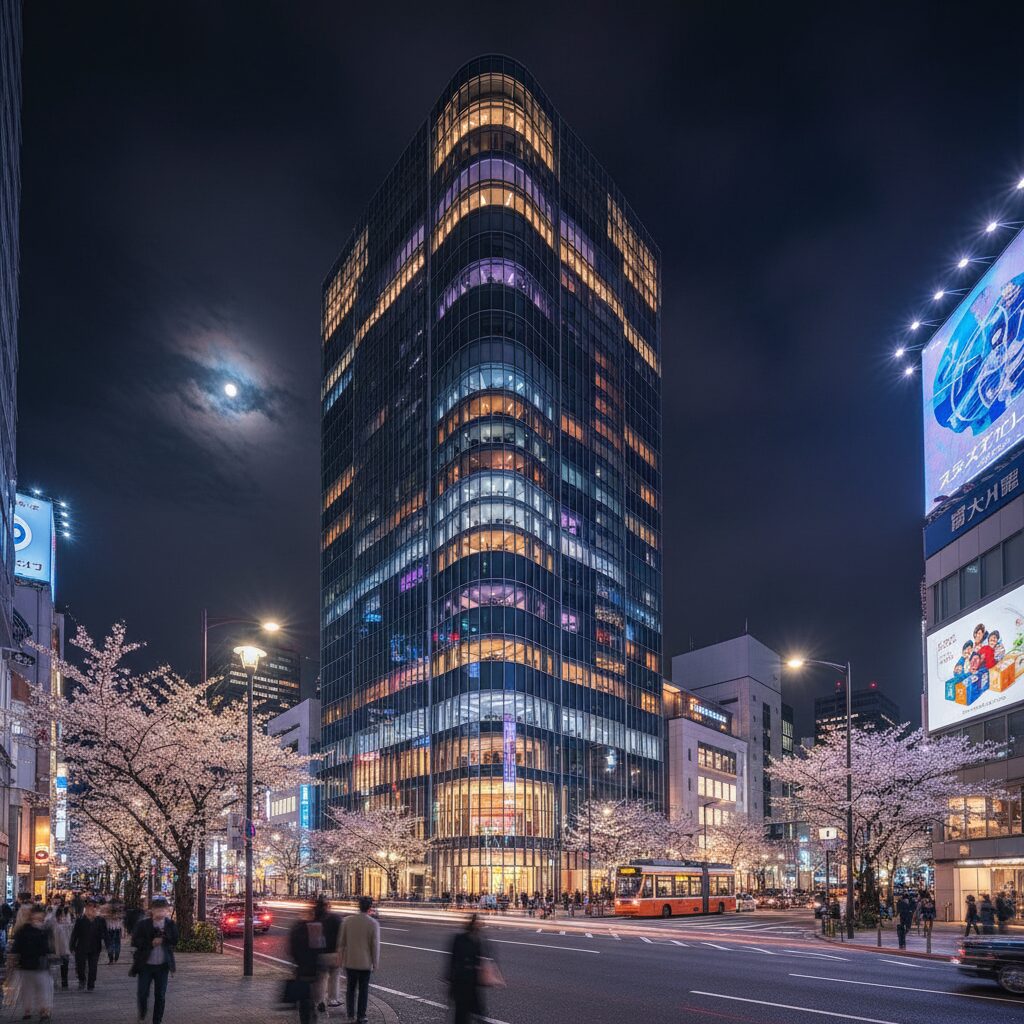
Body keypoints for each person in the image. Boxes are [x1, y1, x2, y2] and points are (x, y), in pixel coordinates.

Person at [131, 895, 178, 1024]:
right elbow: (135, 941)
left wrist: (164, 939)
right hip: (145, 965)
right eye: (157, 909)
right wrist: (150, 943)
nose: (160, 912)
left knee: (160, 995)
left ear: (167, 910)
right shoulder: (143, 924)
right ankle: (142, 1013)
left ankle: (157, 1020)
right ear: (152, 910)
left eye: (163, 909)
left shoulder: (170, 924)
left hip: (162, 966)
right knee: (142, 993)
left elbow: (175, 940)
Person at [340, 896, 380, 1024]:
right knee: (363, 990)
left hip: (350, 961)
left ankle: (350, 1014)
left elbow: (341, 942)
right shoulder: (373, 923)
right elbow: (375, 946)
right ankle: (361, 1016)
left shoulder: (348, 921)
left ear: (359, 906)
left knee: (350, 989)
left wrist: (340, 959)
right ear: (370, 907)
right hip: (365, 963)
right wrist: (375, 963)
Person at [447, 914, 491, 1024]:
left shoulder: (477, 940)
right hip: (463, 980)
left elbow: (453, 960)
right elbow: (454, 960)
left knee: (469, 1012)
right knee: (464, 1012)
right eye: (478, 924)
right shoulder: (465, 939)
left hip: (468, 980)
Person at [13, 905, 53, 1021]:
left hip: (33, 964)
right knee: (34, 989)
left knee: (35, 989)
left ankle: (37, 1010)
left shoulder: (37, 929)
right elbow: (46, 948)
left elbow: (16, 948)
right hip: (32, 964)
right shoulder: (32, 930)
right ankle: (34, 1010)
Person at [287, 902, 323, 1024]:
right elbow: (319, 948)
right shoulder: (315, 928)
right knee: (312, 996)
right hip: (313, 968)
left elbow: (291, 950)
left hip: (301, 967)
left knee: (303, 998)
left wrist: (297, 960)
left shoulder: (297, 928)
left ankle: (305, 1018)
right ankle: (312, 1015)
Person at [313, 895, 343, 1014]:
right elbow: (342, 935)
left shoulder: (315, 918)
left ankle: (319, 1000)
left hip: (320, 953)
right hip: (334, 953)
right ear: (327, 906)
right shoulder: (335, 918)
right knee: (334, 976)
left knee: (321, 978)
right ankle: (332, 999)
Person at [70, 898, 108, 990]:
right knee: (80, 966)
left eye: (94, 907)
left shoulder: (100, 920)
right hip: (81, 947)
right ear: (86, 908)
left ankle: (91, 983)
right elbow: (75, 934)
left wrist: (107, 944)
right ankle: (82, 980)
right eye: (89, 907)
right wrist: (72, 946)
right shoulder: (80, 920)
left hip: (95, 947)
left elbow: (105, 933)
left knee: (93, 966)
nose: (92, 909)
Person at [51, 905, 73, 990]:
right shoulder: (55, 926)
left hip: (65, 950)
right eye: (62, 915)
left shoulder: (67, 925)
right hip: (58, 950)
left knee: (64, 967)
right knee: (56, 968)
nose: (63, 917)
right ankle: (58, 983)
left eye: (64, 915)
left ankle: (64, 983)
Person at [104, 899, 123, 964]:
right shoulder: (119, 910)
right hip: (115, 928)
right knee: (116, 944)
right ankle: (114, 959)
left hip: (112, 928)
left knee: (111, 944)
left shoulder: (109, 910)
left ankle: (112, 959)